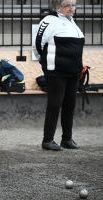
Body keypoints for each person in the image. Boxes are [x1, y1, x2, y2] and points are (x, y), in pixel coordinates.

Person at [32, 0, 85, 151]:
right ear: (58, 6)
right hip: (55, 72)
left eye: (73, 5)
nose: (71, 8)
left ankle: (66, 139)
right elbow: (37, 44)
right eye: (67, 5)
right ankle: (47, 140)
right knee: (54, 105)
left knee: (70, 106)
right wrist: (44, 63)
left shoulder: (72, 23)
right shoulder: (49, 21)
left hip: (73, 72)